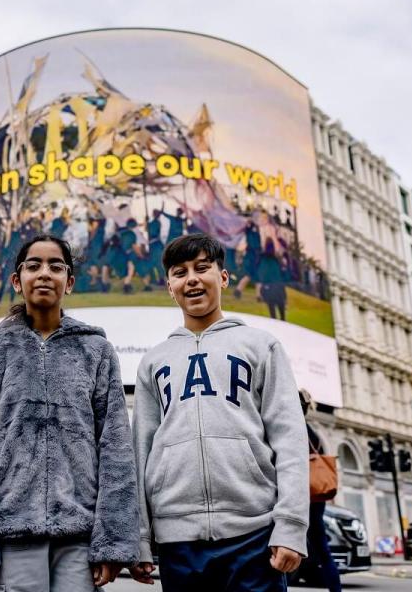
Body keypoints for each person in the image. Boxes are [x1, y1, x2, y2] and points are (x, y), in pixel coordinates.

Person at [0, 235, 139, 591]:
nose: (44, 273)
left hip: (79, 535)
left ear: (70, 282)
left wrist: (113, 541)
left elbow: (115, 449)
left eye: (56, 266)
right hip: (13, 532)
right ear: (17, 281)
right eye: (33, 265)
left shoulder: (97, 351)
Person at [131, 233, 309, 591]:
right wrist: (138, 538)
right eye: (180, 272)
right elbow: (140, 451)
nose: (192, 279)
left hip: (254, 533)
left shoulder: (262, 346)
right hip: (177, 539)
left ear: (223, 278)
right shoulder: (154, 361)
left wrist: (290, 525)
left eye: (202, 268)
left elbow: (289, 440)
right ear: (170, 286)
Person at [300, 389, 342, 592]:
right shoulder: (314, 434)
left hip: (299, 495)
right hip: (316, 497)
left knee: (281, 546)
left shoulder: (291, 429)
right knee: (322, 550)